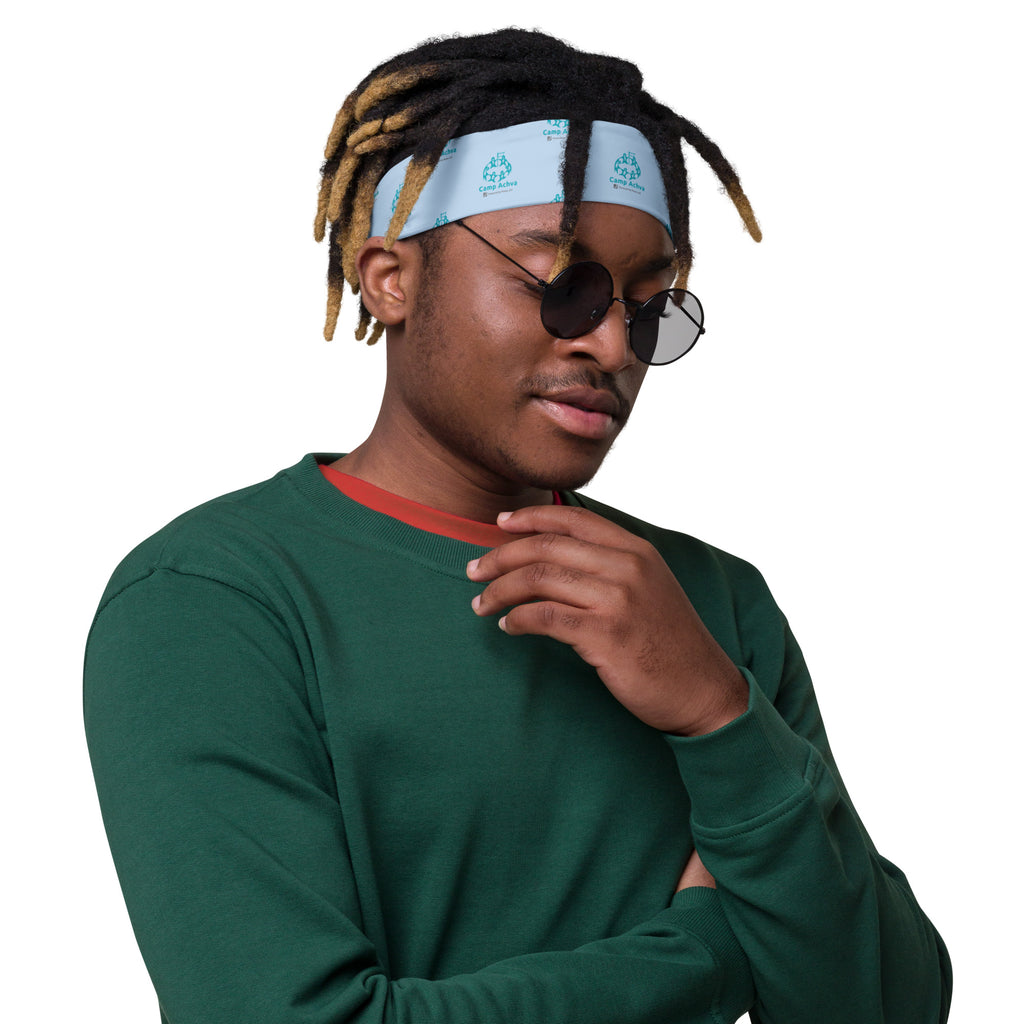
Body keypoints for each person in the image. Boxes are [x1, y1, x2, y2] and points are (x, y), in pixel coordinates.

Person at [84, 28, 952, 1024]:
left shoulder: (713, 605)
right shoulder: (215, 603)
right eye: (561, 288)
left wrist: (719, 714)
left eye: (648, 307)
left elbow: (892, 1009)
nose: (611, 346)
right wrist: (708, 951)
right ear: (390, 278)